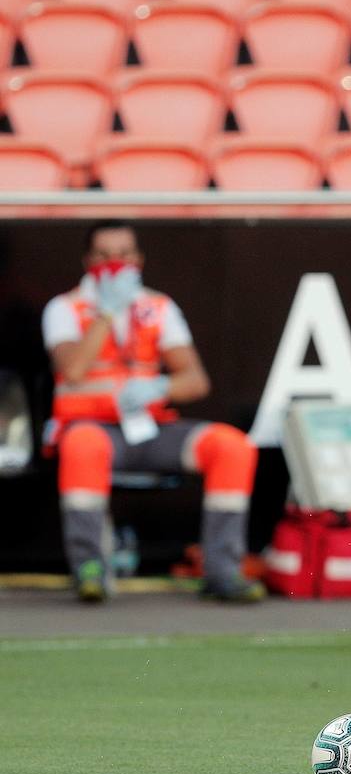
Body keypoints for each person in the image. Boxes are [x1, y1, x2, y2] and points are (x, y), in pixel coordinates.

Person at [42, 222, 264, 603]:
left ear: (139, 259)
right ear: (88, 260)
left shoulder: (158, 306)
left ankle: (223, 571)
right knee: (83, 446)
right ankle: (91, 569)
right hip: (93, 427)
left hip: (149, 428)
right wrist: (107, 314)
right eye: (105, 255)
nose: (115, 263)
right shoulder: (65, 308)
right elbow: (73, 370)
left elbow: (195, 380)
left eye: (124, 254)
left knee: (233, 447)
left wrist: (160, 387)